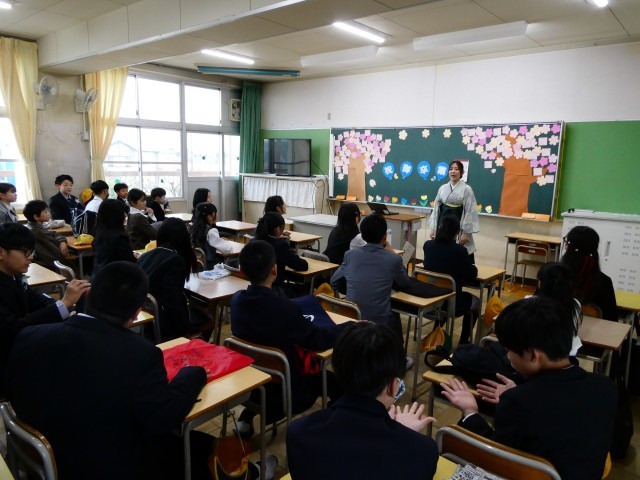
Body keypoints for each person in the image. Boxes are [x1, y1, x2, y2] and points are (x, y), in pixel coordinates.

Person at [6, 261, 209, 480]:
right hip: (103, 466)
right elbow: (163, 418)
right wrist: (193, 374)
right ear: (136, 313)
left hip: (38, 457)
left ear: (88, 295)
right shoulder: (141, 354)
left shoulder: (29, 336)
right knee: (200, 446)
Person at [441, 296, 616, 480]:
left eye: (509, 350)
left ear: (533, 355)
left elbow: (497, 461)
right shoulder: (606, 388)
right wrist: (522, 391)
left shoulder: (517, 403)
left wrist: (470, 412)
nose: (508, 357)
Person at [287, 321, 439, 480]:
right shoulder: (423, 452)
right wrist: (402, 433)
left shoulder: (299, 433)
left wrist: (395, 429)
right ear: (392, 387)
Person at [231, 240, 351, 435]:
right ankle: (329, 426)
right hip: (288, 391)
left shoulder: (236, 301)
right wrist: (349, 326)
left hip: (252, 384)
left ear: (242, 271)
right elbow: (319, 340)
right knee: (338, 383)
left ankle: (247, 415)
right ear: (274, 270)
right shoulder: (286, 309)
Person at [0, 223, 89, 396]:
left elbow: (34, 299)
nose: (30, 258)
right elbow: (13, 329)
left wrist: (65, 306)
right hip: (8, 362)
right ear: (1, 252)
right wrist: (63, 304)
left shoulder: (13, 275)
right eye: (25, 253)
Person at [331, 213, 410, 340]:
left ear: (362, 235)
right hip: (378, 323)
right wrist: (393, 252)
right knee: (394, 312)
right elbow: (405, 283)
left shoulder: (350, 255)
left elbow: (334, 281)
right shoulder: (394, 259)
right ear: (385, 236)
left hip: (351, 318)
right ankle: (397, 351)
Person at [138, 218, 210, 341]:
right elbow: (172, 299)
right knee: (208, 319)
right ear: (183, 238)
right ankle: (190, 346)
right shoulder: (175, 260)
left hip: (147, 318)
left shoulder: (145, 256)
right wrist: (183, 327)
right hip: (166, 320)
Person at [423, 215, 479, 344]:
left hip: (429, 301)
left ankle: (436, 332)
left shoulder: (428, 245)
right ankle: (463, 342)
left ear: (439, 228)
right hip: (452, 304)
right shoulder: (459, 251)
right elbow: (472, 274)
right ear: (457, 232)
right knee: (477, 302)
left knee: (443, 292)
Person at [562, 225, 617, 321]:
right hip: (592, 330)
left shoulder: (554, 274)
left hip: (555, 328)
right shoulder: (604, 282)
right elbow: (612, 319)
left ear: (568, 247)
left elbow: (539, 307)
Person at [428, 160, 479, 262]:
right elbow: (436, 209)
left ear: (462, 172)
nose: (453, 171)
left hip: (458, 224)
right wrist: (433, 228)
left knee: (459, 250)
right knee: (442, 249)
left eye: (456, 169)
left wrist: (465, 232)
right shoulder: (442, 188)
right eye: (451, 169)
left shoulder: (467, 189)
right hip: (443, 224)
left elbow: (470, 211)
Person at [254, 212, 307, 297]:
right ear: (278, 229)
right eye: (282, 229)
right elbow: (301, 265)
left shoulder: (254, 241)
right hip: (274, 290)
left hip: (256, 288)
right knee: (303, 289)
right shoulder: (279, 245)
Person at [536, 262, 582, 356]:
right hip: (567, 355)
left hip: (539, 357)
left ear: (540, 283)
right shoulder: (575, 304)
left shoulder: (529, 303)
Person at [92, 199, 137, 278]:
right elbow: (130, 261)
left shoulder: (99, 230)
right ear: (117, 216)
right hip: (114, 279)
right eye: (123, 213)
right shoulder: (119, 236)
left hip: (98, 275)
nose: (125, 215)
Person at [23, 200, 69, 270]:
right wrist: (63, 243)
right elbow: (59, 255)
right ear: (36, 216)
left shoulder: (32, 226)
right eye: (45, 212)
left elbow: (53, 233)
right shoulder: (38, 232)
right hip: (49, 267)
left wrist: (62, 241)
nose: (49, 213)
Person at [190, 202, 233, 269]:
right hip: (211, 266)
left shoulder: (193, 228)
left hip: (198, 265)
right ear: (209, 217)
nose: (216, 216)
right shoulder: (211, 231)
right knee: (233, 260)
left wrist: (219, 240)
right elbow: (227, 250)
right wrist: (226, 242)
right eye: (215, 214)